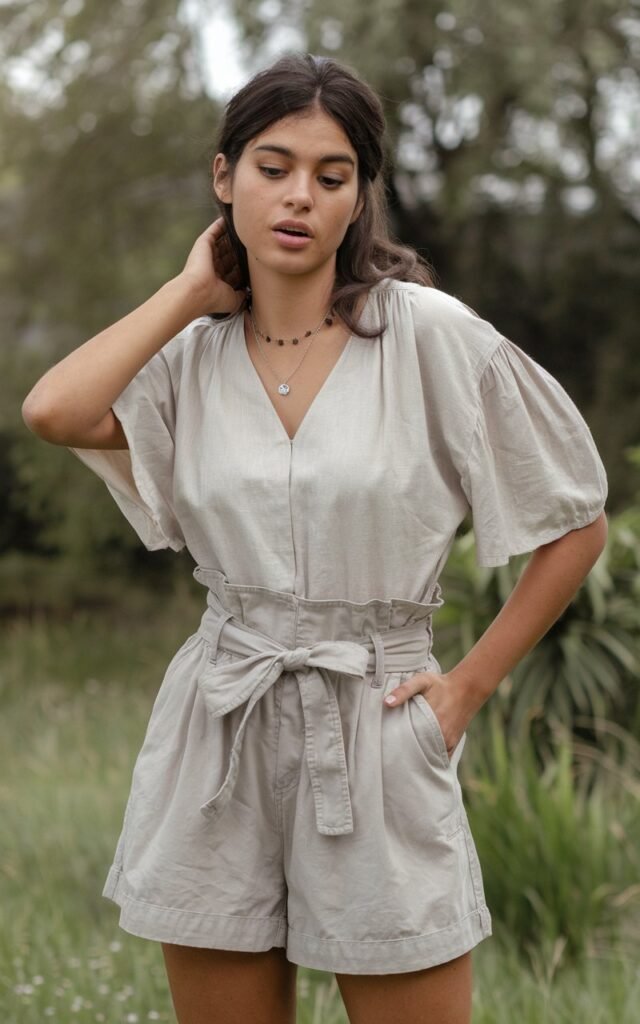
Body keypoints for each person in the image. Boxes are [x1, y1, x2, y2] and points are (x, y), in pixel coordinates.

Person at [22, 51, 608, 1024]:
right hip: (223, 719)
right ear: (225, 178)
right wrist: (189, 292)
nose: (300, 195)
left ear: (358, 199)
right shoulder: (190, 358)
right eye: (273, 166)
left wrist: (465, 689)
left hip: (378, 717)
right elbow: (54, 410)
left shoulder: (428, 336)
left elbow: (575, 521)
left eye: (332, 177)